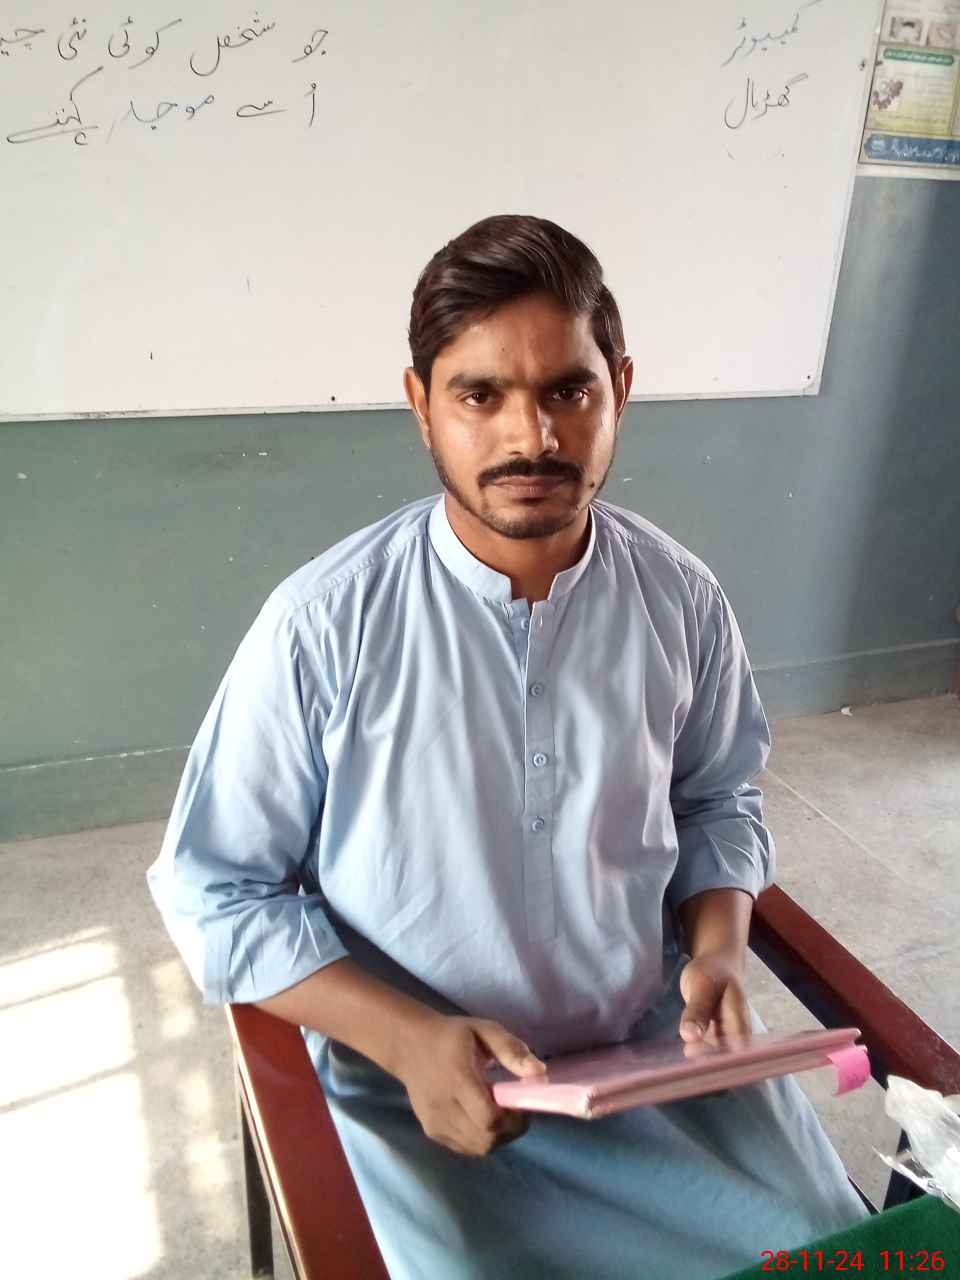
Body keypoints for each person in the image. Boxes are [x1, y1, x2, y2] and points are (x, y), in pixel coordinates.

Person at [147, 214, 869, 1279]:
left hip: (653, 1059)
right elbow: (215, 888)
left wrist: (717, 949)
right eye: (479, 395)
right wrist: (402, 1038)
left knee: (846, 1259)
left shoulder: (681, 601)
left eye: (569, 390)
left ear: (620, 389)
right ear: (420, 405)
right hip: (424, 1089)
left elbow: (717, 799)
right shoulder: (323, 626)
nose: (533, 437)